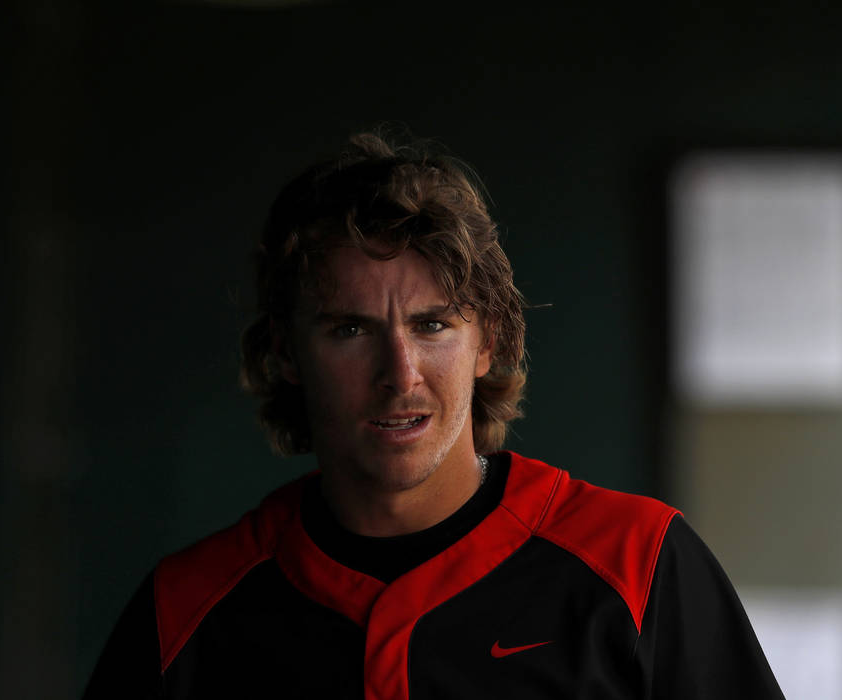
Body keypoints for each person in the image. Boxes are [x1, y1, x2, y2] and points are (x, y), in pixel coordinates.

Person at [84, 132, 784, 699]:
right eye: (349, 331)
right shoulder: (188, 608)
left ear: (491, 342)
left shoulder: (638, 563)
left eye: (433, 326)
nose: (401, 375)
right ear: (286, 354)